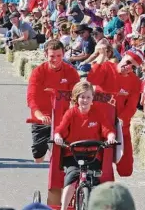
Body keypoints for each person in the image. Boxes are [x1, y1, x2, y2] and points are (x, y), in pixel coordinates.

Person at [27, 39, 80, 205]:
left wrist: (72, 109)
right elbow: (32, 98)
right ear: (46, 55)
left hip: (64, 120)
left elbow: (76, 95)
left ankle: (63, 191)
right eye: (52, 56)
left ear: (63, 55)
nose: (55, 59)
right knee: (38, 157)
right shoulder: (38, 72)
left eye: (58, 55)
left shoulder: (71, 72)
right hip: (44, 119)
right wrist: (39, 115)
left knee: (62, 156)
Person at [53, 81, 116, 210]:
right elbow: (60, 129)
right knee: (71, 178)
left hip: (93, 154)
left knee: (95, 181)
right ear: (76, 98)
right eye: (82, 97)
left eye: (88, 97)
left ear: (92, 98)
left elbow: (107, 129)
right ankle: (63, 208)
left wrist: (110, 136)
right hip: (74, 154)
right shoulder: (71, 113)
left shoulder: (98, 113)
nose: (85, 100)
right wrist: (58, 136)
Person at [87, 47, 143, 177]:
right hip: (99, 122)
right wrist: (100, 58)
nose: (128, 67)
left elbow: (131, 106)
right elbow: (92, 79)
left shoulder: (135, 82)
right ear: (123, 56)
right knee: (99, 162)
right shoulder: (107, 67)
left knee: (126, 169)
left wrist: (121, 120)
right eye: (128, 62)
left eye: (133, 67)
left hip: (119, 125)